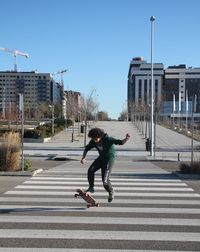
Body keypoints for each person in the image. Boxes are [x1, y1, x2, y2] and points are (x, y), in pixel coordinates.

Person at [80, 127, 130, 203]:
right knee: (90, 170)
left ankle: (111, 191)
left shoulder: (108, 139)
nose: (95, 141)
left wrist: (126, 138)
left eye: (96, 139)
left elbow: (120, 142)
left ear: (100, 136)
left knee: (105, 181)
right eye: (93, 139)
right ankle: (91, 188)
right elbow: (87, 148)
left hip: (109, 160)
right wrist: (83, 158)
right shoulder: (93, 141)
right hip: (101, 158)